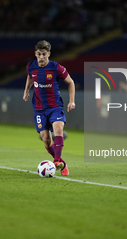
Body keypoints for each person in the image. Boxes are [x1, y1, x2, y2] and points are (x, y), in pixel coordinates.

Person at [23, 40, 75, 176]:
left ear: (49, 54)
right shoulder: (31, 66)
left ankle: (57, 161)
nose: (41, 57)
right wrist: (26, 91)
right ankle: (61, 162)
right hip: (39, 109)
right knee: (46, 139)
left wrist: (72, 101)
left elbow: (70, 82)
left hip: (55, 106)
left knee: (58, 129)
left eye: (44, 54)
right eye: (39, 54)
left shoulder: (56, 68)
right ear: (35, 54)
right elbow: (29, 77)